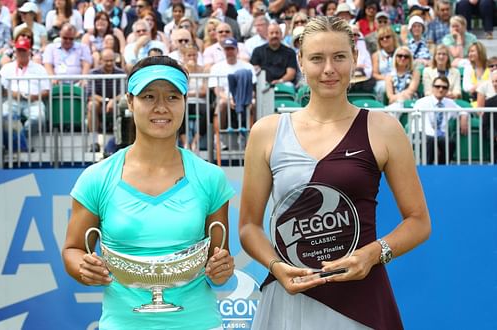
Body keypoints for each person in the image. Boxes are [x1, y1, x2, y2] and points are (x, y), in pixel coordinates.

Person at [239, 16, 431, 330]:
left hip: (361, 299)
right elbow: (248, 226)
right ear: (300, 61)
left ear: (355, 59)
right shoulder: (267, 132)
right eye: (317, 58)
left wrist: (373, 254)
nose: (329, 69)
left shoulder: (383, 129)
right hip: (290, 298)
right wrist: (276, 265)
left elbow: (419, 221)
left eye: (339, 57)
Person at [62, 55, 235, 329]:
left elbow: (218, 265)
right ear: (130, 102)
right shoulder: (96, 178)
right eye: (149, 96)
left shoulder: (210, 178)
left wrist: (222, 268)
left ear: (185, 102)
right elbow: (72, 249)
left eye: (172, 97)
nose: (161, 107)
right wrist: (84, 268)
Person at [0, 37, 50, 149]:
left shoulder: (39, 68)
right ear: (15, 51)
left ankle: (19, 141)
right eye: (19, 50)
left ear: (29, 51)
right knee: (3, 115)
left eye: (24, 50)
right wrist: (13, 94)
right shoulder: (7, 68)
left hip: (33, 101)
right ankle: (21, 144)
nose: (21, 53)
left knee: (38, 118)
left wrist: (35, 96)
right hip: (12, 100)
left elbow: (47, 91)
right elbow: (1, 89)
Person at [414, 76, 467, 164]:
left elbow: (462, 111)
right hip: (423, 133)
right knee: (430, 140)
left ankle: (443, 167)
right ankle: (427, 168)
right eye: (437, 86)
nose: (441, 89)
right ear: (432, 87)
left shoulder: (449, 103)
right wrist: (435, 137)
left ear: (447, 90)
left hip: (440, 135)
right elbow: (422, 125)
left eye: (444, 87)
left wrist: (463, 117)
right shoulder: (422, 102)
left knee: (449, 142)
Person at [86, 48, 125, 152]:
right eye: (106, 60)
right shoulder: (93, 73)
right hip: (100, 104)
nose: (109, 63)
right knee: (92, 105)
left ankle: (121, 140)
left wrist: (113, 101)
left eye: (111, 60)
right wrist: (107, 101)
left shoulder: (121, 72)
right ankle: (94, 142)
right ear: (100, 60)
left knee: (124, 106)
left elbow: (123, 93)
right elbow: (91, 94)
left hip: (116, 105)